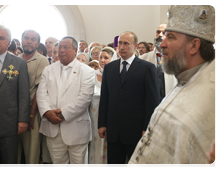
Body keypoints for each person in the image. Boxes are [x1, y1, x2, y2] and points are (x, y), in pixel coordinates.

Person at [128, 5, 217, 167]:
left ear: (194, 46)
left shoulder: (212, 94)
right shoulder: (185, 78)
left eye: (170, 37)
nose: (162, 44)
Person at [98, 31, 160, 167]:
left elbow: (152, 101)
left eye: (126, 43)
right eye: (120, 43)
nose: (122, 47)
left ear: (135, 46)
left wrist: (147, 127)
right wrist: (102, 123)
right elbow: (105, 97)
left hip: (136, 130)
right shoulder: (109, 68)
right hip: (114, 130)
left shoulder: (147, 68)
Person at [37, 36, 95, 167]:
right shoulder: (48, 69)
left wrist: (62, 114)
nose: (61, 50)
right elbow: (41, 94)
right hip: (52, 128)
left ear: (75, 50)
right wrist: (47, 112)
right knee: (58, 165)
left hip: (76, 128)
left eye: (66, 47)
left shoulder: (87, 71)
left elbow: (84, 98)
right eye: (60, 48)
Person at [0, 25, 30, 167]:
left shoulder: (18, 63)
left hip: (8, 122)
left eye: (1, 38)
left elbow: (23, 94)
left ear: (8, 42)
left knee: (8, 161)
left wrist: (23, 119)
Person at [17, 30, 49, 167]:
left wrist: (30, 114)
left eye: (33, 39)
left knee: (32, 151)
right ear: (22, 40)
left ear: (37, 44)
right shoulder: (15, 58)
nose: (29, 41)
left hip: (32, 111)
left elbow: (39, 89)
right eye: (26, 38)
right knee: (14, 151)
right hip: (14, 110)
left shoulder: (42, 60)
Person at [89, 47, 117, 167]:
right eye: (101, 57)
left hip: (110, 117)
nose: (102, 60)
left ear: (113, 59)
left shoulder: (116, 76)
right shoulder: (92, 75)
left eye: (106, 58)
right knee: (95, 145)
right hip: (93, 117)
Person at [140, 23, 177, 101]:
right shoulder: (143, 59)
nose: (160, 35)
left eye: (164, 33)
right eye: (158, 32)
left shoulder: (177, 59)